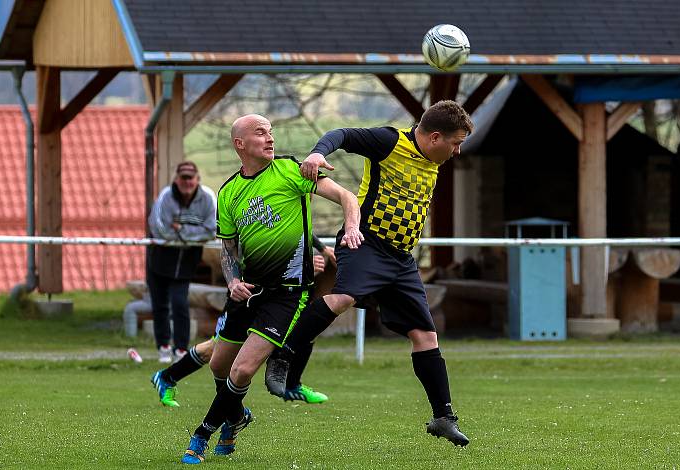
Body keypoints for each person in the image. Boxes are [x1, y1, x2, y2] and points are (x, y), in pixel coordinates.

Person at [265, 100, 474, 447]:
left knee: (426, 336)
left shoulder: (432, 158)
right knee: (342, 297)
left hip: (401, 259)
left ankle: (443, 417)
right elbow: (342, 134)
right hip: (366, 242)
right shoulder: (389, 142)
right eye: (456, 143)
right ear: (435, 137)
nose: (458, 151)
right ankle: (283, 356)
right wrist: (317, 154)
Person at [180, 114, 362, 464]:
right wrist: (232, 280)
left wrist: (351, 228)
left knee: (242, 370)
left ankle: (203, 433)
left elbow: (345, 196)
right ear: (240, 144)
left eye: (271, 132)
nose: (269, 138)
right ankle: (236, 417)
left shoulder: (293, 171)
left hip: (287, 294)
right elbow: (229, 249)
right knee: (219, 366)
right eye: (260, 132)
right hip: (248, 292)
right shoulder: (229, 192)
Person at [150, 237, 334, 407]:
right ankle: (166, 377)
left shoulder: (293, 214)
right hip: (246, 295)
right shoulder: (257, 216)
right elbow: (265, 257)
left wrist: (320, 251)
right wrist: (308, 265)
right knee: (215, 350)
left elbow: (300, 233)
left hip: (276, 298)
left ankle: (292, 385)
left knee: (305, 331)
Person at [147, 161, 216, 363]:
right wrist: (190, 233)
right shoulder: (166, 196)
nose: (187, 182)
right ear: (176, 179)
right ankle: (163, 347)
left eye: (190, 178)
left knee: (180, 304)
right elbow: (159, 229)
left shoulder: (207, 198)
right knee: (159, 305)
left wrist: (180, 230)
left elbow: (211, 230)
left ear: (197, 180)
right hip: (160, 258)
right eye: (183, 178)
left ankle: (181, 350)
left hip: (187, 261)